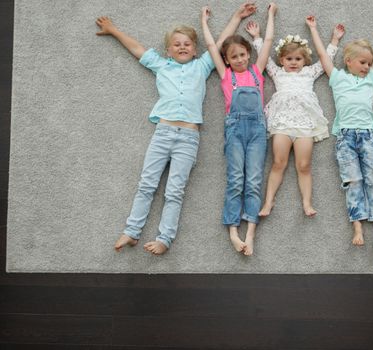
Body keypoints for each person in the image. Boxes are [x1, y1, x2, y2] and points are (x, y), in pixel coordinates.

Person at [96, 3, 257, 255]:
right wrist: (114, 30)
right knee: (146, 184)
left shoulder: (202, 66)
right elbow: (137, 49)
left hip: (189, 137)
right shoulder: (162, 66)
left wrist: (236, 17)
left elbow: (220, 41)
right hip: (163, 133)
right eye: (177, 44)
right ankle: (132, 231)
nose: (182, 47)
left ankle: (165, 238)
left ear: (195, 50)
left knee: (174, 191)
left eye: (187, 44)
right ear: (168, 51)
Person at [307, 12, 373, 245]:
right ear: (348, 61)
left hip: (368, 135)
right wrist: (313, 29)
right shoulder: (337, 78)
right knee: (353, 180)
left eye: (368, 64)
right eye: (362, 62)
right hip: (345, 137)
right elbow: (322, 54)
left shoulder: (370, 79)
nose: (367, 67)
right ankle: (357, 226)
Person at [201, 3, 277, 255]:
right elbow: (212, 46)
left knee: (254, 181)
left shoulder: (257, 71)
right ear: (227, 60)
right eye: (234, 57)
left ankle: (250, 233)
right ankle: (234, 231)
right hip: (234, 131)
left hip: (257, 131)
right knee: (235, 181)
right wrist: (204, 23)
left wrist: (271, 15)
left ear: (248, 53)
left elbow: (267, 41)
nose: (240, 59)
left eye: (243, 54)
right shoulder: (226, 76)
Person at [251, 23, 345, 218]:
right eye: (289, 59)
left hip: (304, 123)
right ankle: (268, 202)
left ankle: (307, 202)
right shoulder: (277, 72)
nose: (293, 62)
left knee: (304, 165)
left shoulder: (309, 72)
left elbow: (326, 59)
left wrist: (334, 40)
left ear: (305, 60)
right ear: (282, 59)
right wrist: (257, 37)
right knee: (278, 162)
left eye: (298, 59)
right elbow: (264, 58)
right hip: (283, 122)